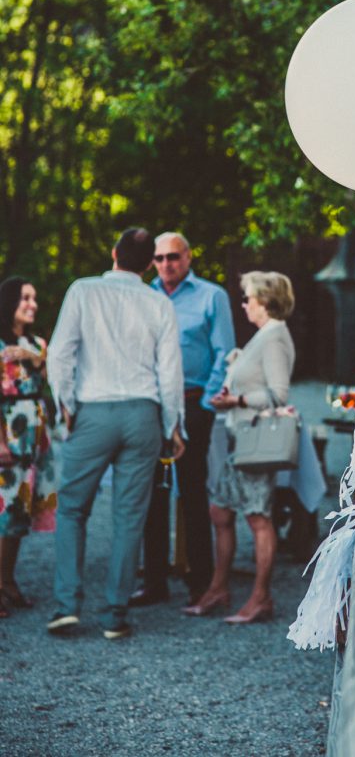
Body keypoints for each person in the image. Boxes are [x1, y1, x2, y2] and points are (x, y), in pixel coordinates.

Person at [46, 228, 185, 640]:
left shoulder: (82, 291)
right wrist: (173, 426)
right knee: (130, 516)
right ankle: (114, 615)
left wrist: (65, 405)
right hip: (143, 415)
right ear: (149, 265)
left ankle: (67, 605)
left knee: (72, 509)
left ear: (113, 254)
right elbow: (170, 372)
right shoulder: (159, 302)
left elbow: (59, 354)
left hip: (93, 411)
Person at [131, 232, 235, 608]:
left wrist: (206, 404)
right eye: (159, 258)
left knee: (193, 491)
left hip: (193, 403)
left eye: (173, 256)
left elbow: (225, 352)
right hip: (152, 404)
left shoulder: (211, 296)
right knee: (152, 493)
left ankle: (200, 579)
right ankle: (154, 580)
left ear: (188, 256)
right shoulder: (144, 295)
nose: (166, 264)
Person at [185, 271, 295, 624]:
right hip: (241, 440)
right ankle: (218, 588)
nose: (244, 304)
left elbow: (278, 394)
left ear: (264, 300)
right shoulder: (263, 335)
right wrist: (231, 393)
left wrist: (237, 400)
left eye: (248, 298)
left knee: (258, 518)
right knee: (220, 511)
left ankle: (261, 597)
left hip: (256, 441)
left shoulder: (274, 337)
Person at [0, 277, 57, 618]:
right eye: (25, 298)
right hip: (9, 429)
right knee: (3, 511)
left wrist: (32, 357)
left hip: (34, 434)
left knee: (20, 512)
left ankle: (7, 580)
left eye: (34, 298)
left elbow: (54, 378)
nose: (32, 304)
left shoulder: (37, 344)